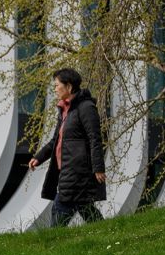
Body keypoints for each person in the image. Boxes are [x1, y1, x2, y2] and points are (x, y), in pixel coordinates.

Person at [28, 68, 107, 227]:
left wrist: (98, 167)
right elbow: (55, 141)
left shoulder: (85, 108)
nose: (55, 89)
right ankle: (105, 232)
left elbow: (95, 138)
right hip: (66, 170)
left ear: (69, 87)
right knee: (84, 206)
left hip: (78, 170)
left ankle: (53, 241)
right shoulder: (65, 110)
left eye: (57, 85)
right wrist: (38, 157)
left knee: (61, 205)